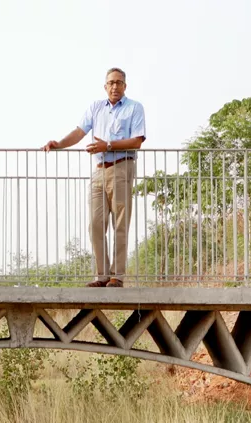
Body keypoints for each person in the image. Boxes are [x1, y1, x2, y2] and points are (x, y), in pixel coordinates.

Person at [42, 67, 146, 288]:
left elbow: (137, 141)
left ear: (125, 86)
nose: (115, 86)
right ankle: (102, 275)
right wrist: (58, 144)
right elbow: (80, 132)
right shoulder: (96, 108)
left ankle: (117, 275)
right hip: (99, 170)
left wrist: (107, 145)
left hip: (121, 167)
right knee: (95, 224)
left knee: (120, 223)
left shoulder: (134, 108)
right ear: (105, 86)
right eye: (111, 83)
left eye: (119, 82)